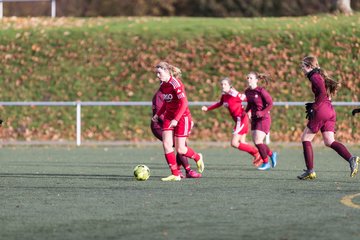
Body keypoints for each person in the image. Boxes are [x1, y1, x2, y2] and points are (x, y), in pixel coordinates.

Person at [298, 56, 359, 180]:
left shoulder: (314, 77)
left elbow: (321, 92)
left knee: (305, 138)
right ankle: (351, 158)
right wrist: (316, 104)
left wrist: (314, 107)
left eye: (303, 66)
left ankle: (310, 171)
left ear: (309, 66)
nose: (302, 69)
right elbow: (326, 96)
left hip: (322, 110)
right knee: (329, 141)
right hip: (329, 110)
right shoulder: (319, 75)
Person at [152, 61, 204, 181]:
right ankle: (175, 174)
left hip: (182, 117)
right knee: (166, 144)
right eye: (156, 73)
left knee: (180, 149)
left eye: (159, 73)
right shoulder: (163, 85)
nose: (157, 76)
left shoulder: (175, 83)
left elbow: (184, 103)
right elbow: (166, 101)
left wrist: (176, 119)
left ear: (167, 71)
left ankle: (197, 157)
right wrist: (158, 114)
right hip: (169, 117)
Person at [201, 77, 262, 167]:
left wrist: (249, 112)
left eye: (225, 84)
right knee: (242, 142)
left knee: (234, 143)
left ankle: (257, 153)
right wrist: (208, 108)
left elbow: (252, 100)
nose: (223, 86)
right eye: (221, 84)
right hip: (238, 120)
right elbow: (220, 103)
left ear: (230, 85)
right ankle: (258, 156)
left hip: (241, 119)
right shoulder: (224, 95)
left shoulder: (234, 94)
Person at [244, 72, 277, 171]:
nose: (248, 79)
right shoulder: (247, 92)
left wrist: (262, 112)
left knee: (258, 141)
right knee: (257, 142)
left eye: (251, 78)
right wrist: (245, 112)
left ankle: (266, 162)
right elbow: (250, 104)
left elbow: (270, 103)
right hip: (254, 118)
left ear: (256, 80)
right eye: (248, 78)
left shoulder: (261, 91)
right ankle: (272, 154)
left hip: (264, 118)